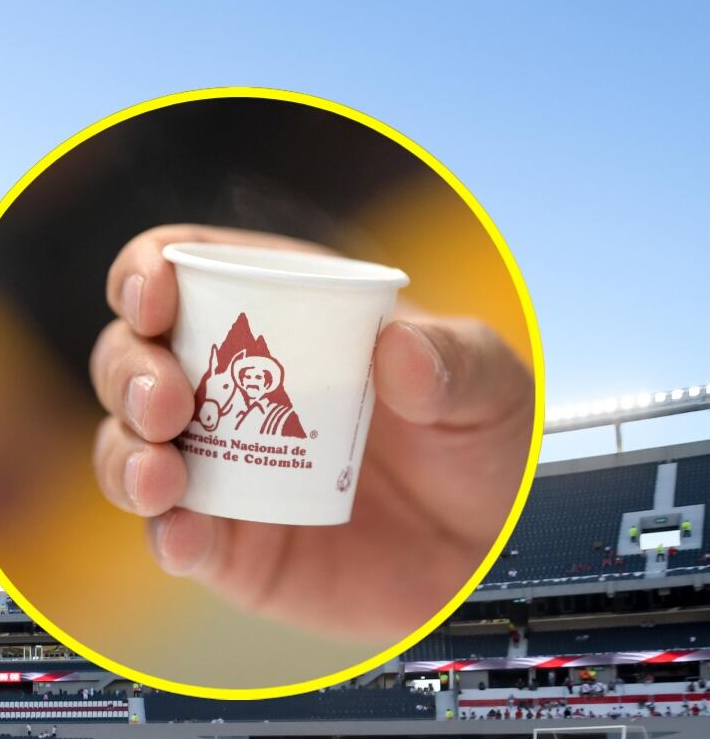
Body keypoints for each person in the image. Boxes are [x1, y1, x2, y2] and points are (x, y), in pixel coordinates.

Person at [88, 224, 533, 640]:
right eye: (248, 376)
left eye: (264, 378)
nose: (255, 384)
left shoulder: (282, 417)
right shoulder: (224, 402)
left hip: (434, 526)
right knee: (150, 430)